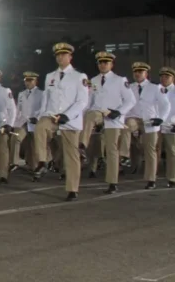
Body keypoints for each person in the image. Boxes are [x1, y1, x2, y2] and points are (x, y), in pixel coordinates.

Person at [32, 42, 89, 201]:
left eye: (64, 54)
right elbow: (46, 99)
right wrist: (43, 115)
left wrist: (67, 115)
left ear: (70, 57)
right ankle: (43, 161)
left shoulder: (79, 77)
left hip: (70, 119)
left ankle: (72, 189)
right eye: (58, 55)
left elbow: (82, 101)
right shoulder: (50, 76)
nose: (60, 57)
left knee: (71, 156)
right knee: (40, 127)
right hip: (52, 115)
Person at [78, 52, 135, 194]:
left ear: (111, 64)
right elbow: (88, 101)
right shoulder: (94, 80)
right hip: (98, 112)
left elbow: (130, 100)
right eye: (100, 62)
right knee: (90, 115)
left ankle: (112, 182)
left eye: (106, 62)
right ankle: (82, 145)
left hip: (113, 116)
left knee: (111, 150)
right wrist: (80, 114)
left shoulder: (120, 80)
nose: (103, 65)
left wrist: (119, 112)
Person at [121, 62, 170, 189]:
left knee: (150, 150)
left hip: (150, 121)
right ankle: (125, 155)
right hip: (134, 118)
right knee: (125, 126)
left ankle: (151, 179)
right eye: (136, 72)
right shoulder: (129, 87)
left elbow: (166, 105)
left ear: (146, 74)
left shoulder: (155, 87)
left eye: (140, 72)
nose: (137, 74)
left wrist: (161, 118)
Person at [11, 72, 43, 171]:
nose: (28, 83)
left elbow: (43, 108)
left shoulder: (41, 93)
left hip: (35, 122)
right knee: (16, 138)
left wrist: (37, 117)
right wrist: (13, 122)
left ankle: (36, 168)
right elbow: (18, 109)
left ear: (36, 81)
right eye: (26, 81)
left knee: (33, 146)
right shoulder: (21, 94)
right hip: (23, 122)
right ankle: (14, 162)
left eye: (30, 80)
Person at [158, 66, 175, 188]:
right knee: (153, 152)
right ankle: (151, 178)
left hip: (171, 125)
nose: (164, 79)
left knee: (172, 153)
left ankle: (172, 178)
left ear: (172, 78)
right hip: (156, 126)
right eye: (162, 76)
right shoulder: (156, 90)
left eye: (167, 76)